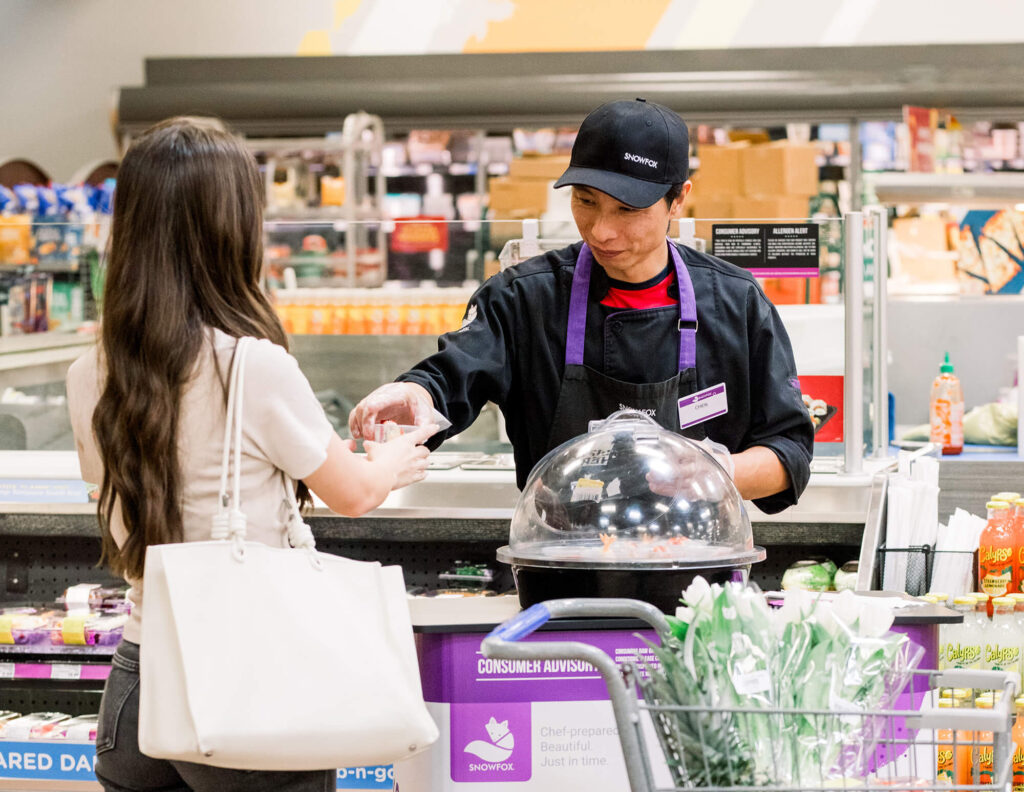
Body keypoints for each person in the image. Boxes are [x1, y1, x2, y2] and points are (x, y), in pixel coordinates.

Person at [67, 117, 434, 792]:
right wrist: (402, 455)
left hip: (137, 686)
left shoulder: (89, 372)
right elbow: (352, 491)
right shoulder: (251, 367)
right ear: (231, 227)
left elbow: (109, 499)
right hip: (245, 686)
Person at [350, 98, 813, 514]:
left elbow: (788, 452)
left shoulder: (736, 303)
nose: (601, 230)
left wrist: (720, 470)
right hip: (557, 562)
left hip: (697, 573)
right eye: (585, 201)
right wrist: (416, 394)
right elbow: (451, 379)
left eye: (628, 210)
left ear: (679, 201)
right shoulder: (524, 298)